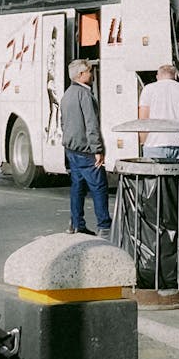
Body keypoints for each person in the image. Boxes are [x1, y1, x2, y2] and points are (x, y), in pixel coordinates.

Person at [60, 58, 111, 236]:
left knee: (77, 187)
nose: (92, 74)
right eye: (89, 71)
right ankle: (104, 225)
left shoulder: (67, 94)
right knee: (99, 187)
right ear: (81, 75)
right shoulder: (85, 95)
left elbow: (63, 122)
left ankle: (76, 223)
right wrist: (98, 149)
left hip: (71, 149)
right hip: (85, 150)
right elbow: (91, 123)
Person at [138, 64, 179, 161]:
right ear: (175, 76)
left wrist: (143, 142)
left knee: (155, 175)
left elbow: (143, 120)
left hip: (154, 144)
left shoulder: (148, 89)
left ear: (157, 77)